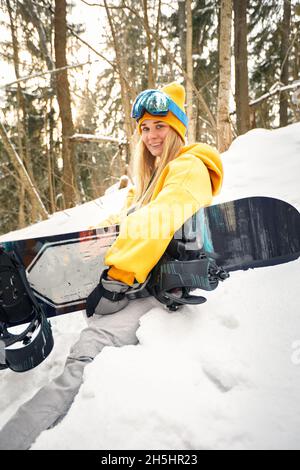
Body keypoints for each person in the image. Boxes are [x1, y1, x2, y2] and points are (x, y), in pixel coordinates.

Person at [0, 82, 223, 450]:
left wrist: (117, 280)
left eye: (160, 126)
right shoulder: (154, 178)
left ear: (177, 128)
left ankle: (15, 440)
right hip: (143, 285)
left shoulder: (188, 169)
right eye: (145, 128)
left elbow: (157, 223)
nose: (151, 136)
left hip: (157, 290)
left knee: (84, 356)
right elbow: (127, 224)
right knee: (85, 348)